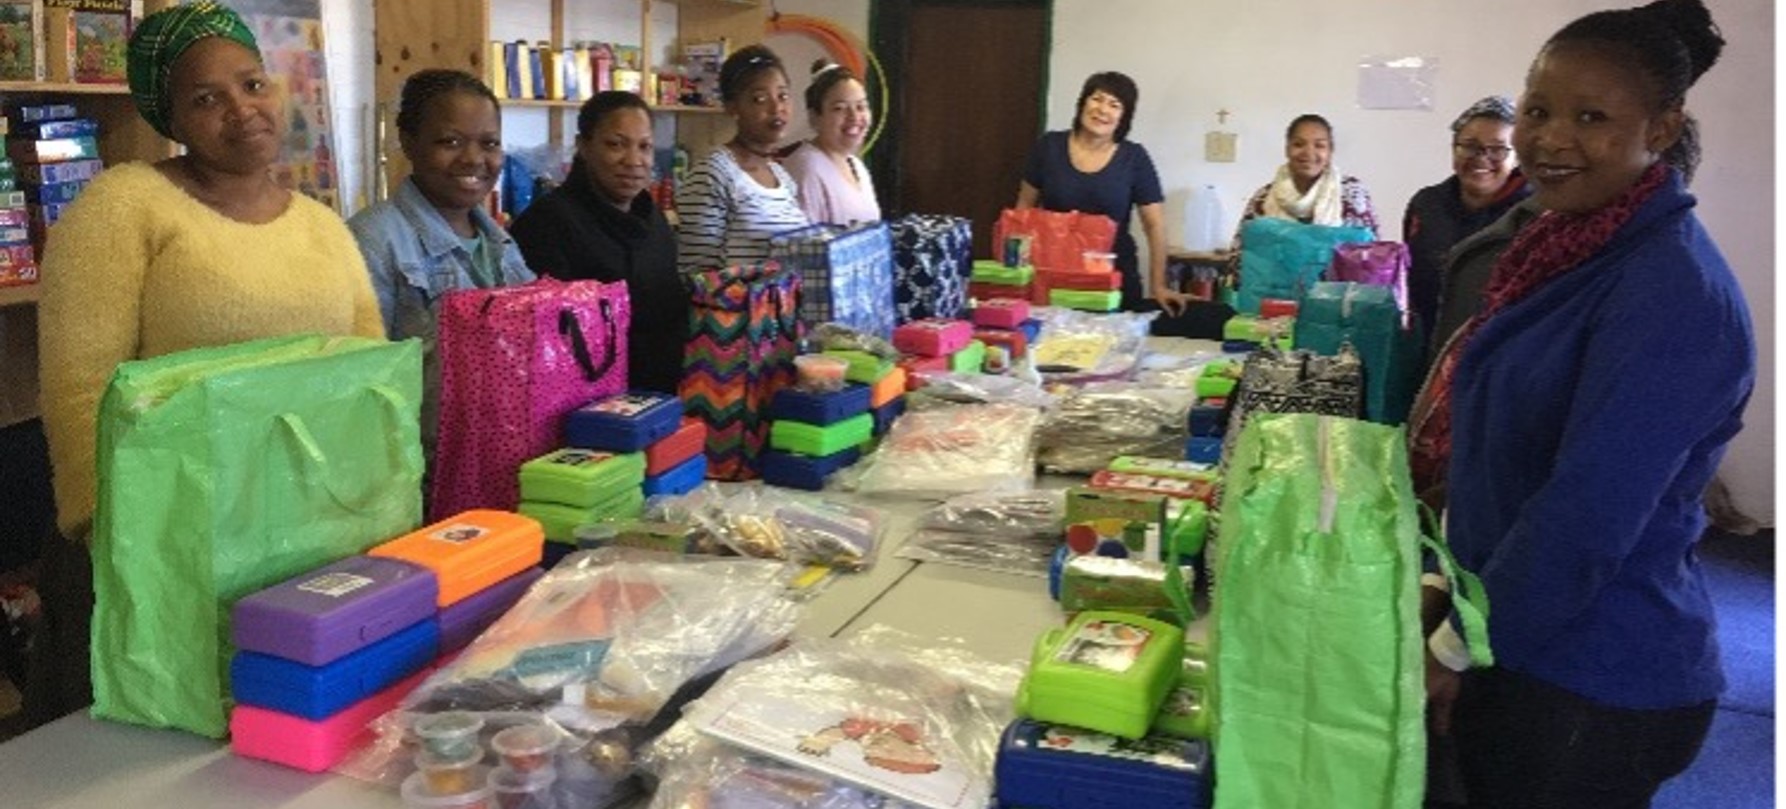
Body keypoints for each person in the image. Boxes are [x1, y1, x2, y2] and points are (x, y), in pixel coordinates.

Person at [1413, 2, 1749, 806]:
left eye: (1591, 117)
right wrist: (1447, 586)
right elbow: (1495, 447)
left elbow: (1583, 517)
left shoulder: (1668, 292)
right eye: (1538, 110)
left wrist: (1457, 647)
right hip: (1521, 635)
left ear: (1662, 130)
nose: (1550, 138)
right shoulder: (1560, 243)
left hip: (1596, 681)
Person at [29, 1, 383, 726]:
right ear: (170, 118)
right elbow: (78, 386)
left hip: (297, 539)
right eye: (206, 98)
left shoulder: (320, 225)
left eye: (252, 84)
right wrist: (117, 540)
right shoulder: (123, 206)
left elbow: (367, 372)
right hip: (158, 545)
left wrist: (368, 512)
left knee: (273, 740)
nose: (242, 109)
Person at [348, 68, 534, 464]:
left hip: (500, 462)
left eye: (490, 143)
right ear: (408, 142)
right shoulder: (373, 240)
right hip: (418, 474)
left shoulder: (501, 243)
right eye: (450, 142)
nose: (473, 159)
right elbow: (359, 385)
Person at [510, 91, 685, 394]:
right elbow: (546, 341)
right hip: (584, 412)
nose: (633, 161)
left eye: (644, 147)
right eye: (616, 144)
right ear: (583, 146)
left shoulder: (653, 221)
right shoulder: (547, 224)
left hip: (657, 402)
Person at [1015, 71, 1180, 314]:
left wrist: (1159, 285)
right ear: (1082, 103)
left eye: (1114, 105)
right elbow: (1023, 211)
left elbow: (1155, 225)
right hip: (1054, 277)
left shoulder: (1134, 158)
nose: (1102, 110)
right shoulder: (1049, 146)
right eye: (1097, 99)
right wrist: (1015, 274)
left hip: (1112, 280)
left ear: (1124, 116)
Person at [1402, 96, 1532, 341]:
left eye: (1497, 149)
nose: (1482, 157)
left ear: (1517, 157)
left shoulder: (1535, 216)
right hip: (1426, 349)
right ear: (1454, 148)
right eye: (1470, 145)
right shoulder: (1426, 205)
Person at [674, 44, 810, 274]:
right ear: (732, 107)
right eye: (759, 99)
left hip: (786, 309)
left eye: (783, 95)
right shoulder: (713, 174)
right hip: (737, 310)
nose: (777, 107)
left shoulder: (783, 178)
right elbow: (696, 278)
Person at [1229, 114, 1380, 275]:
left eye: (1319, 145)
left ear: (1330, 151)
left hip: (1333, 294)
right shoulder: (1264, 197)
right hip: (1273, 293)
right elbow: (1239, 255)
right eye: (1299, 144)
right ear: (1287, 149)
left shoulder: (1351, 194)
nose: (1308, 152)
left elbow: (1369, 255)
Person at [781, 60, 881, 225]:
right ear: (815, 117)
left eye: (861, 106)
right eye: (839, 108)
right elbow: (802, 243)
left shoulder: (857, 166)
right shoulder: (806, 167)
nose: (855, 117)